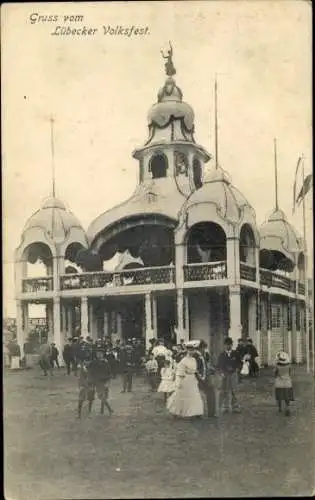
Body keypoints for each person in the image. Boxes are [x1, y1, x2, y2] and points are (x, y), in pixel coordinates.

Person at [166, 343, 204, 419]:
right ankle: (176, 412)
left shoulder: (194, 359)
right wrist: (180, 382)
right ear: (187, 350)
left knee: (194, 394)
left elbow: (195, 369)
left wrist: (198, 375)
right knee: (182, 395)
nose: (191, 352)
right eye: (190, 350)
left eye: (193, 350)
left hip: (192, 379)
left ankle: (196, 412)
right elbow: (181, 371)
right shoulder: (184, 360)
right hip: (185, 379)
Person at [217, 337, 241, 413]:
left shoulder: (236, 354)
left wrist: (237, 369)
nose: (228, 346)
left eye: (229, 344)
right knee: (225, 391)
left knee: (234, 390)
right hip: (225, 374)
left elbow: (240, 363)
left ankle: (235, 407)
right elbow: (219, 365)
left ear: (232, 345)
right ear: (224, 345)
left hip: (233, 374)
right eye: (227, 345)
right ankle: (225, 407)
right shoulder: (222, 355)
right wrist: (221, 373)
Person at [274, 351, 293, 416]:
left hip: (279, 382)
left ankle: (280, 408)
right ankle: (287, 407)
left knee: (279, 395)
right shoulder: (289, 366)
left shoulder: (277, 366)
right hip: (287, 382)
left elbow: (275, 374)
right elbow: (290, 373)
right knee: (287, 395)